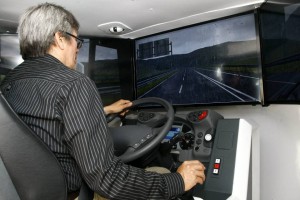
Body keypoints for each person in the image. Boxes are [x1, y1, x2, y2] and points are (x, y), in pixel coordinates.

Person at [0, 3, 206, 199]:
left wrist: (104, 110)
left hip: (31, 191)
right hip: (73, 194)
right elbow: (107, 179)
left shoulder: (10, 82)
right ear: (60, 39)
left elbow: (45, 120)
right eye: (76, 40)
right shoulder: (74, 84)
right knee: (161, 171)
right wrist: (178, 181)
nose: (77, 48)